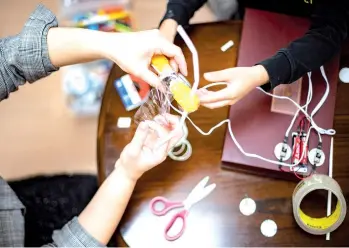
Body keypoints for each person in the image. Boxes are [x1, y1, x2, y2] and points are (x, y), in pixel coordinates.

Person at [0, 4, 185, 247]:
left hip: (14, 203)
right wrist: (127, 174)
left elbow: (9, 59)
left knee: (83, 188)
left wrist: (113, 45)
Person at [158, 0, 349, 109]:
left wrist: (261, 74)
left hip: (305, 39)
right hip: (250, 22)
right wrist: (171, 21)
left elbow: (329, 32)